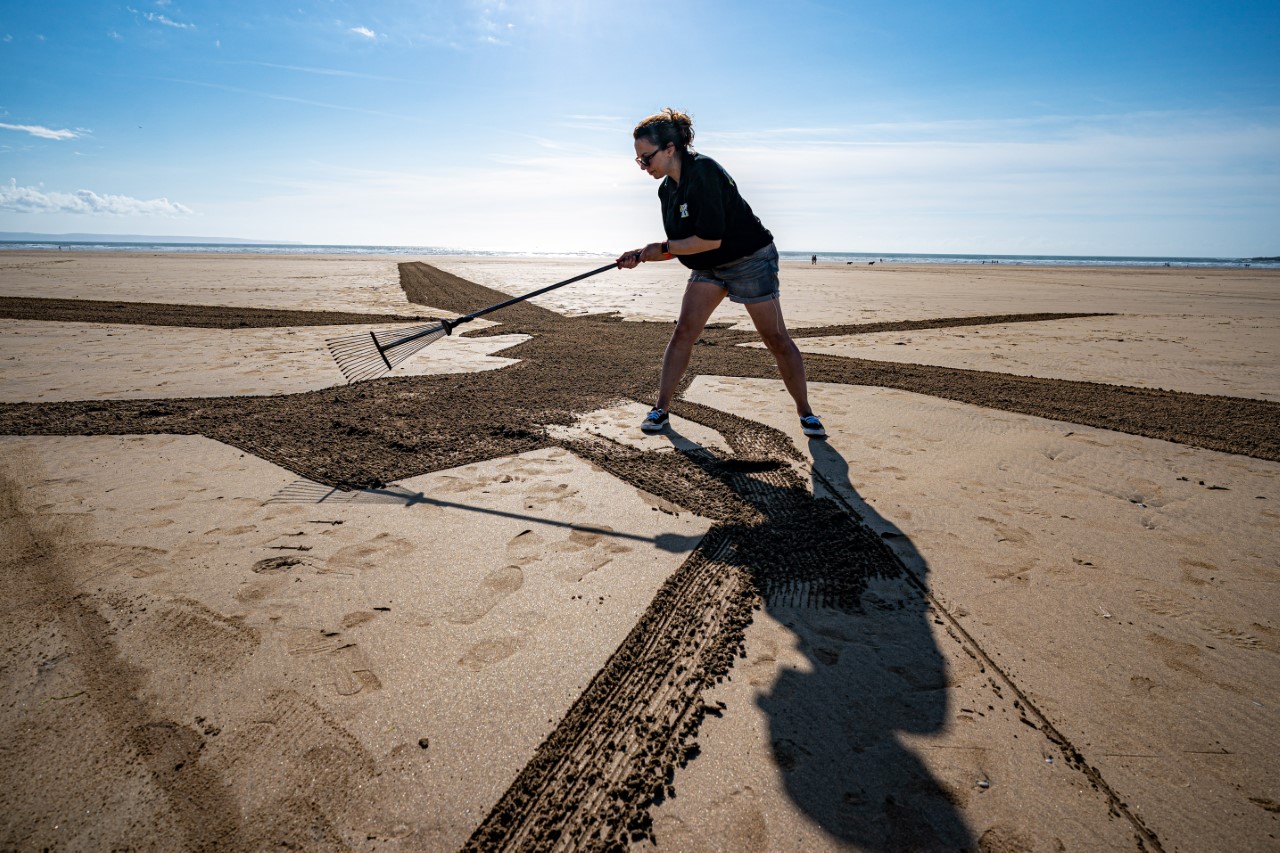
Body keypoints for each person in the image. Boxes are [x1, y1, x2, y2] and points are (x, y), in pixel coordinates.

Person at [616, 108, 825, 438]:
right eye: (639, 160)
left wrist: (660, 249)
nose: (643, 166)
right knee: (684, 331)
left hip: (750, 258)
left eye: (646, 158)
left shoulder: (705, 172)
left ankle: (806, 413)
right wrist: (643, 255)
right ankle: (661, 408)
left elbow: (708, 239)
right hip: (709, 266)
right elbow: (685, 244)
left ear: (670, 148)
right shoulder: (666, 190)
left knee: (775, 339)